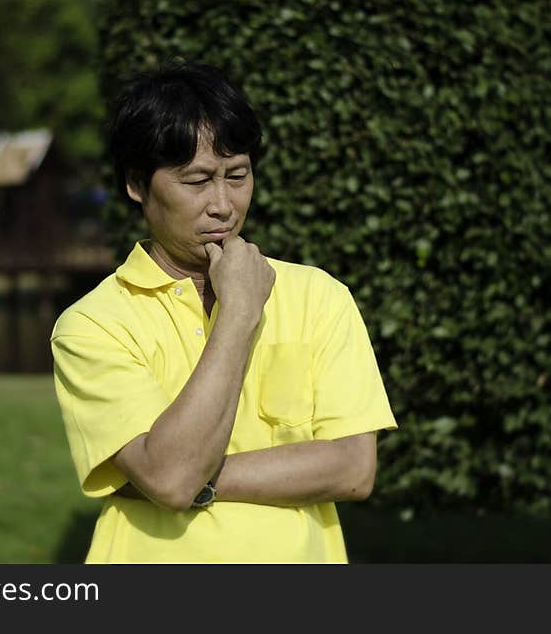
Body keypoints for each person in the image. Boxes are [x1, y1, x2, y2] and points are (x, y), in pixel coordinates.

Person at [50, 60, 397, 563]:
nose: (223, 205)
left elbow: (352, 469)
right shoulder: (94, 325)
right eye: (196, 182)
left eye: (238, 175)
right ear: (136, 185)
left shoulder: (319, 296)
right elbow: (170, 479)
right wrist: (238, 314)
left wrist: (195, 476)